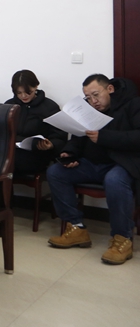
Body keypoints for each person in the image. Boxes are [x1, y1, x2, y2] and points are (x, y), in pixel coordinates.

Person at [47, 74, 140, 265]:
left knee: (114, 180)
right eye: (88, 97)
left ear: (110, 89)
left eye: (96, 95)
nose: (93, 101)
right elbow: (78, 137)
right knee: (56, 172)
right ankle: (77, 228)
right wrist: (69, 153)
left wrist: (104, 137)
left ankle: (122, 239)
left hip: (121, 164)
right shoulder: (88, 110)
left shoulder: (133, 104)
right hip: (91, 164)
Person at [5, 70, 67, 175]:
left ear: (36, 86)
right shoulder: (9, 106)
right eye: (19, 93)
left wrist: (51, 145)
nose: (23, 96)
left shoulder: (49, 107)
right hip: (11, 150)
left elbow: (60, 137)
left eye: (28, 92)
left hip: (36, 154)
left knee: (5, 163)